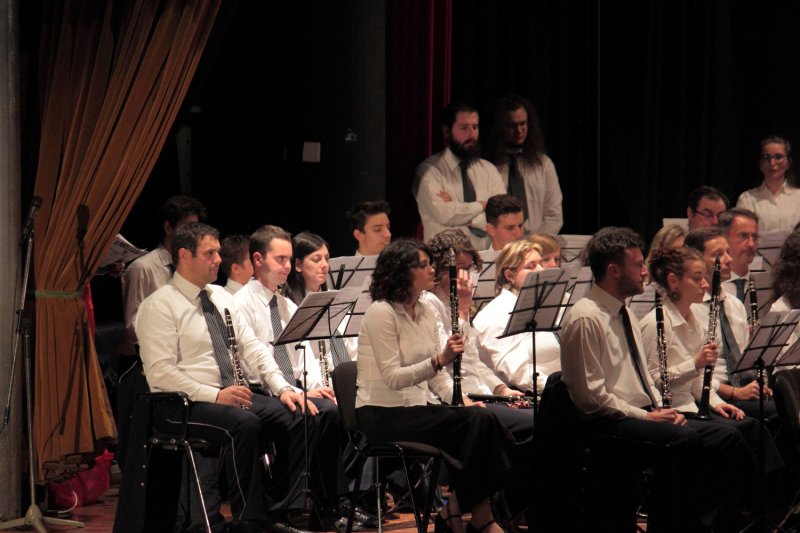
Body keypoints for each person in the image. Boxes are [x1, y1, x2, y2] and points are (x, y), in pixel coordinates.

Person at [117, 222, 313, 533]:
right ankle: (250, 520)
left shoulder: (220, 296)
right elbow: (161, 374)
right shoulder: (159, 305)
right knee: (244, 423)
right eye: (210, 253)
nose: (219, 259)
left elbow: (254, 349)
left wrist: (283, 388)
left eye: (219, 252)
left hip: (225, 395)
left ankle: (279, 510)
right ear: (184, 255)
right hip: (178, 404)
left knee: (295, 414)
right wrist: (216, 396)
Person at [559, 226, 753, 531]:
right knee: (682, 440)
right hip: (606, 424)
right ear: (613, 270)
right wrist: (647, 417)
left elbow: (643, 380)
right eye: (636, 265)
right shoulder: (587, 317)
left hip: (636, 414)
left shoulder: (622, 311)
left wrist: (662, 409)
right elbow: (591, 398)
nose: (645, 273)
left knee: (726, 438)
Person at [356, 238, 514, 533]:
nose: (433, 270)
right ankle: (474, 517)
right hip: (382, 413)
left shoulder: (425, 311)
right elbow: (393, 377)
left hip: (416, 408)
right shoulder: (381, 313)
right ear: (402, 271)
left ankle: (460, 512)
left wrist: (461, 399)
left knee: (482, 420)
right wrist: (440, 359)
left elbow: (437, 377)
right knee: (480, 425)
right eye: (425, 265)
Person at [233, 225, 341, 525]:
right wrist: (290, 390)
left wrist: (314, 387)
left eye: (288, 259)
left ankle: (326, 505)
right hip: (259, 388)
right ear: (258, 260)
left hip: (290, 385)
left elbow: (302, 352)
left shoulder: (287, 304)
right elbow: (252, 359)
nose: (285, 267)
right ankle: (281, 507)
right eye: (280, 259)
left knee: (330, 411)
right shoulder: (241, 303)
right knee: (301, 416)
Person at [117, 195, 206, 467]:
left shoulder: (192, 268)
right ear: (169, 228)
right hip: (145, 363)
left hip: (184, 362)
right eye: (186, 228)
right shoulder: (143, 268)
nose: (192, 235)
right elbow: (133, 324)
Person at [685, 227, 774, 419]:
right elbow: (694, 375)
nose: (728, 259)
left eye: (727, 252)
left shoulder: (735, 304)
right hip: (713, 395)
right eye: (718, 254)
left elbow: (742, 358)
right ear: (696, 261)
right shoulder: (689, 309)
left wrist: (759, 383)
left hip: (743, 389)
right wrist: (735, 392)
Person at [473, 240, 560, 393]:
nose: (541, 270)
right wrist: (563, 389)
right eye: (531, 266)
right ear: (509, 275)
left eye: (540, 263)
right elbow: (517, 372)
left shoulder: (543, 304)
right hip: (530, 395)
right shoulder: (495, 313)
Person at [414, 102, 506, 249]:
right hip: (445, 260)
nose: (472, 134)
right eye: (464, 128)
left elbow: (502, 217)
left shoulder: (489, 170)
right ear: (447, 131)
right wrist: (482, 205)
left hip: (486, 258)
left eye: (475, 127)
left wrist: (464, 215)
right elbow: (444, 214)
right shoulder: (429, 171)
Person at [489, 94, 563, 235]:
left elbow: (554, 215)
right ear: (500, 127)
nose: (519, 131)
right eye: (512, 125)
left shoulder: (543, 164)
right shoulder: (488, 167)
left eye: (522, 124)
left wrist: (534, 245)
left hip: (536, 246)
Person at [737, 135, 800, 233]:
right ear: (760, 164)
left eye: (778, 157)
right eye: (766, 157)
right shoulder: (747, 199)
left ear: (788, 162)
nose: (772, 163)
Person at [717, 208, 760, 302]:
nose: (751, 244)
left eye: (755, 237)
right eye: (743, 236)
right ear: (723, 237)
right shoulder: (710, 286)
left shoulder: (764, 285)